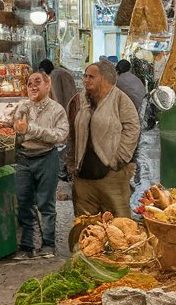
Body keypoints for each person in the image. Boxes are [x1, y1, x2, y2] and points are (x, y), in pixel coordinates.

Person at [7, 69, 69, 260]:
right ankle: (27, 245)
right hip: (24, 158)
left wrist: (31, 129)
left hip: (46, 158)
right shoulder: (22, 107)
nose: (32, 86)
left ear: (47, 85)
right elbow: (17, 130)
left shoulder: (56, 110)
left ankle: (48, 244)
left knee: (46, 204)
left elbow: (60, 136)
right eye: (29, 83)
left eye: (37, 82)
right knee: (24, 202)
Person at [71, 60, 140, 218]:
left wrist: (119, 159)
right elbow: (72, 131)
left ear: (104, 78)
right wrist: (73, 164)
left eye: (91, 77)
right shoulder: (81, 99)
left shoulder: (120, 100)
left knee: (118, 223)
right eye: (85, 76)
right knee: (85, 225)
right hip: (83, 177)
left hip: (111, 176)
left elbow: (132, 128)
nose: (86, 80)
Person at [39, 59, 77, 179]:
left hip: (64, 112)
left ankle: (61, 171)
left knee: (61, 144)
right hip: (73, 109)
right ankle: (67, 169)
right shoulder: (63, 72)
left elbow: (56, 97)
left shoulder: (55, 76)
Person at [115, 59, 146, 124]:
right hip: (144, 110)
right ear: (129, 68)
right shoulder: (134, 77)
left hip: (135, 113)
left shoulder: (119, 80)